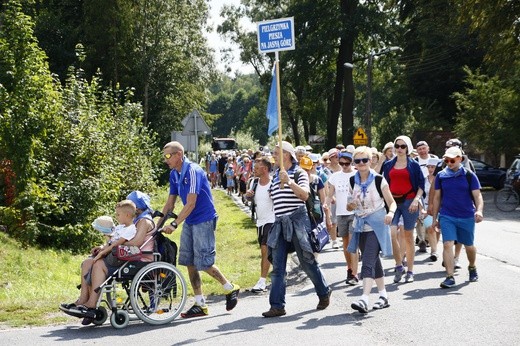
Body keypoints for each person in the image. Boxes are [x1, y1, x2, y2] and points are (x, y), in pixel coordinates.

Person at [161, 141, 240, 318]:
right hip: (189, 220)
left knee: (203, 262)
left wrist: (174, 224)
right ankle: (200, 304)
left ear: (178, 155)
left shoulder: (193, 171)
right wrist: (158, 224)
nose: (165, 160)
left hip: (203, 219)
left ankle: (230, 287)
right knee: (189, 261)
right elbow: (170, 202)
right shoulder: (174, 174)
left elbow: (191, 203)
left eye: (168, 156)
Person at [262, 141, 331, 318]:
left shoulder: (299, 172)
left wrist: (289, 182)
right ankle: (277, 306)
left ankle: (323, 292)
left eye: (276, 153)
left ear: (286, 155)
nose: (273, 156)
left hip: (298, 221)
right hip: (280, 223)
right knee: (277, 266)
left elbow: (304, 195)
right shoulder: (276, 174)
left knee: (306, 261)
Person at [60, 199, 140, 324]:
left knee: (97, 264)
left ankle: (91, 304)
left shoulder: (130, 229)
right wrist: (101, 248)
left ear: (127, 215)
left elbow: (116, 244)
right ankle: (83, 299)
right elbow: (110, 242)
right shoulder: (120, 227)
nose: (116, 217)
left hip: (118, 258)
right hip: (110, 254)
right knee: (87, 262)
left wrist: (102, 253)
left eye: (118, 214)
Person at [347, 146, 396, 313]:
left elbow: (392, 202)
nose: (361, 164)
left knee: (367, 261)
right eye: (358, 161)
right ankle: (383, 295)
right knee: (374, 261)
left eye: (365, 160)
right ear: (354, 163)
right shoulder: (352, 181)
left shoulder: (379, 179)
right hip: (360, 225)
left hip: (377, 224)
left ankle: (364, 299)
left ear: (371, 161)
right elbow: (349, 206)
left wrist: (390, 213)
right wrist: (350, 205)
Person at [431, 146, 484, 288]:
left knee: (469, 246)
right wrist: (435, 218)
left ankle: (472, 266)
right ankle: (450, 276)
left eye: (452, 160)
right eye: (446, 160)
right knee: (448, 243)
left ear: (460, 159)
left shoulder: (469, 175)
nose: (449, 162)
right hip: (447, 215)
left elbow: (477, 195)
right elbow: (437, 198)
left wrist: (479, 211)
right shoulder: (441, 176)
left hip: (466, 216)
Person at [382, 135, 425, 284]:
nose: (399, 149)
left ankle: (411, 270)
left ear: (408, 148)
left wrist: (416, 200)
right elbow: (384, 184)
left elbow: (421, 185)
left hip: (409, 201)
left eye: (403, 146)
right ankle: (399, 265)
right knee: (393, 233)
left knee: (408, 236)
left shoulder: (414, 165)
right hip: (393, 202)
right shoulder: (388, 165)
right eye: (397, 146)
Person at [326, 151, 359, 285]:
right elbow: (330, 194)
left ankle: (355, 274)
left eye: (347, 163)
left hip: (354, 212)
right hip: (341, 213)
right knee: (345, 244)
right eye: (342, 163)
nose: (344, 166)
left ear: (351, 162)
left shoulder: (356, 174)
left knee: (352, 243)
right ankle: (349, 269)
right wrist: (326, 203)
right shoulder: (335, 177)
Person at [245, 156, 275, 293]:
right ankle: (280, 274)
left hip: (272, 221)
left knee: (265, 250)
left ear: (265, 169)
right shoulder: (254, 183)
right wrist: (248, 196)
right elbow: (250, 199)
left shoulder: (273, 183)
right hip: (260, 222)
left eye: (257, 168)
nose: (254, 170)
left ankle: (262, 281)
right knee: (269, 253)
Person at [414, 141, 439, 252]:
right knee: (422, 223)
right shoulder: (415, 162)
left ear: (428, 148)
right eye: (420, 149)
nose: (422, 151)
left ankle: (434, 247)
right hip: (422, 195)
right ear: (417, 151)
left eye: (424, 148)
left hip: (437, 202)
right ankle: (422, 241)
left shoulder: (436, 159)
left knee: (433, 228)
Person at [326, 148, 342, 249]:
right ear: (330, 158)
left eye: (338, 156)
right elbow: (325, 185)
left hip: (343, 196)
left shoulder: (344, 168)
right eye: (334, 157)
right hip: (332, 197)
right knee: (333, 219)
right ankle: (334, 240)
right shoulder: (326, 170)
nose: (337, 159)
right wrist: (330, 196)